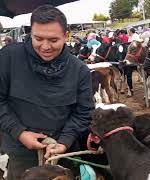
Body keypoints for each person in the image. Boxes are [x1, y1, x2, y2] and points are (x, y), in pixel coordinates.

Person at [0, 5, 94, 179]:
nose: (45, 46)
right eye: (38, 38)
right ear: (31, 33)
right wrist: (20, 133)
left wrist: (64, 142)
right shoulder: (8, 57)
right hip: (20, 152)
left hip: (61, 153)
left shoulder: (79, 70)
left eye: (53, 40)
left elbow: (84, 112)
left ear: (66, 36)